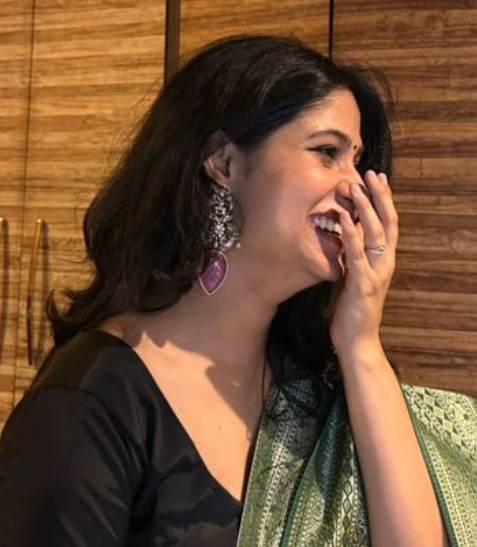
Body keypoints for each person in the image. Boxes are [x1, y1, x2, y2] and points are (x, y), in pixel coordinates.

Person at [0, 34, 475, 547]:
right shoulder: (89, 403)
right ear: (223, 163)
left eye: (356, 161)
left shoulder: (315, 387)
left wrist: (361, 344)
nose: (355, 187)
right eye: (327, 152)